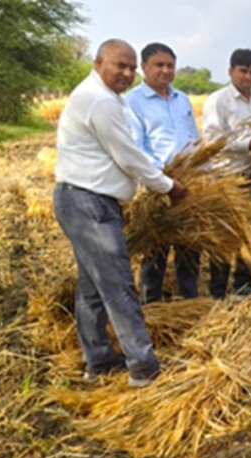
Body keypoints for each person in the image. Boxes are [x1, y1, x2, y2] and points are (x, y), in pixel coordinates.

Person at [52, 39, 188, 388]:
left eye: (130, 67)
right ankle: (143, 367)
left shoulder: (103, 97)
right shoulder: (99, 102)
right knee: (117, 284)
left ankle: (97, 361)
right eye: (119, 66)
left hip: (82, 200)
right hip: (88, 204)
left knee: (92, 287)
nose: (126, 73)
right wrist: (168, 186)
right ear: (99, 63)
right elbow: (128, 155)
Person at [125, 42, 201, 304]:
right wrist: (165, 180)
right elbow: (136, 147)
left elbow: (195, 139)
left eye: (170, 65)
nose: (166, 71)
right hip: (157, 186)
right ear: (144, 67)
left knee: (190, 246)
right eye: (159, 65)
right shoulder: (133, 101)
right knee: (156, 249)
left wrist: (203, 172)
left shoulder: (182, 99)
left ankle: (190, 302)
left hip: (189, 184)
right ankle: (151, 304)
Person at [201, 48, 251, 300]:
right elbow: (212, 139)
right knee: (224, 236)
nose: (249, 77)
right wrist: (247, 145)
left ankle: (244, 285)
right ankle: (218, 292)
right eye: (243, 71)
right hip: (226, 178)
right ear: (231, 71)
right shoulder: (218, 101)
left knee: (249, 233)